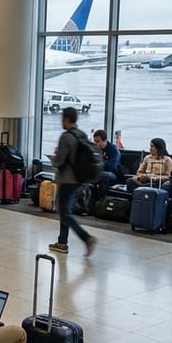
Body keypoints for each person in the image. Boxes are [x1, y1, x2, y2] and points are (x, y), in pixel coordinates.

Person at [47, 107, 97, 257]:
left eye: (62, 118)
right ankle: (62, 242)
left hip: (67, 179)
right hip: (79, 178)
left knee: (64, 212)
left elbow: (60, 160)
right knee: (65, 210)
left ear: (66, 119)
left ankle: (87, 238)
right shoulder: (81, 134)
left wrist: (55, 158)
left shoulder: (66, 137)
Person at [92, 129, 121, 194]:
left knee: (102, 175)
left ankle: (102, 199)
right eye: (95, 141)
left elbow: (111, 167)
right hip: (98, 171)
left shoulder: (114, 150)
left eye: (98, 141)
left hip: (113, 174)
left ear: (104, 141)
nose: (96, 143)